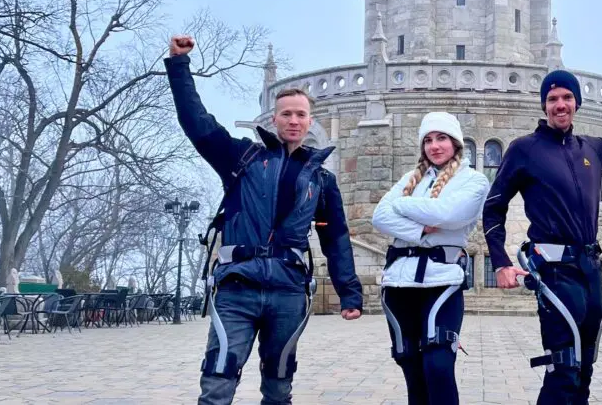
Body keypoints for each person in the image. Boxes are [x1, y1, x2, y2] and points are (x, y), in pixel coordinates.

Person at [164, 35, 363, 404]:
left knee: (279, 385)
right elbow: (196, 122)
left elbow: (333, 236)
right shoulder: (241, 158)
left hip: (288, 291)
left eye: (300, 114)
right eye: (286, 113)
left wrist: (349, 291)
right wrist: (178, 65)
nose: (293, 120)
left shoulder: (321, 179)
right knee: (218, 380)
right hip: (237, 286)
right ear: (274, 118)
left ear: (309, 121)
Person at [482, 68, 602, 404]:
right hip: (554, 272)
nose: (560, 105)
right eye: (552, 99)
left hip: (590, 270)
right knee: (563, 369)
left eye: (566, 98)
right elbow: (494, 207)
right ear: (544, 105)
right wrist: (500, 261)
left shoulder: (592, 148)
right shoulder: (524, 150)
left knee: (585, 370)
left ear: (577, 103)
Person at [371, 112, 490, 405]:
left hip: (442, 281)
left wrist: (402, 205)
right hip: (399, 281)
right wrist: (420, 228)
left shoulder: (473, 181)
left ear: (456, 143)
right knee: (410, 363)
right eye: (428, 140)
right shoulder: (410, 180)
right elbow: (379, 216)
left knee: (437, 364)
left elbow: (448, 214)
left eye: (442, 138)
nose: (435, 146)